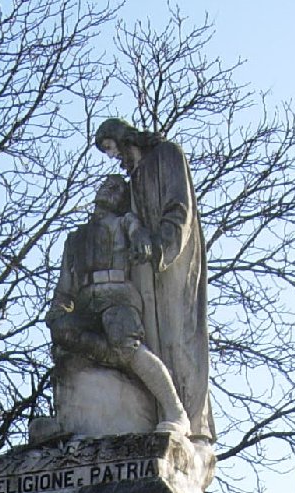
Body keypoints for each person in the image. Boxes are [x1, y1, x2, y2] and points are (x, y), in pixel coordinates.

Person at [93, 118, 214, 445]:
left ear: (123, 137)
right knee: (152, 340)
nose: (114, 157)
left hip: (171, 264)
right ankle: (166, 415)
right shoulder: (134, 179)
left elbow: (179, 209)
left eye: (112, 148)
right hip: (144, 268)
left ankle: (193, 426)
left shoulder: (167, 155)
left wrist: (160, 246)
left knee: (179, 337)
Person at [47, 174, 190, 434]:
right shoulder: (75, 237)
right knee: (64, 332)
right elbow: (65, 283)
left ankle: (174, 410)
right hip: (85, 300)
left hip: (118, 294)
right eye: (106, 186)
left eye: (117, 189)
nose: (109, 190)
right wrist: (58, 309)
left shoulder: (126, 222)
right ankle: (68, 419)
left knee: (126, 343)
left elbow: (141, 240)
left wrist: (143, 244)